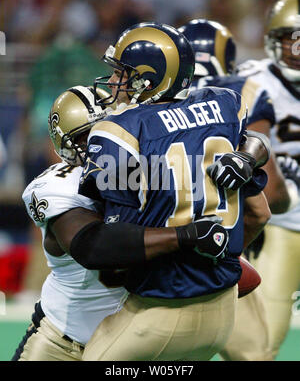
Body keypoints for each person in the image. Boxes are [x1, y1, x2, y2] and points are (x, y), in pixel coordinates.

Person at [51, 22, 271, 361]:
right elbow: (258, 211)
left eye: (121, 73)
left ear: (146, 80)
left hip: (158, 310)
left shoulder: (118, 130)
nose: (112, 82)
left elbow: (111, 254)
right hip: (225, 307)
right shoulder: (225, 105)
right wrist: (223, 254)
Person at [13, 85, 233, 361]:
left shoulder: (152, 169)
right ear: (65, 144)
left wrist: (250, 155)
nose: (101, 142)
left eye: (108, 128)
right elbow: (94, 247)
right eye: (87, 136)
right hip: (63, 341)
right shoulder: (57, 186)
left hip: (135, 337)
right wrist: (186, 236)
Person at [178, 17, 300, 361]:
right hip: (235, 239)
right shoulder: (244, 92)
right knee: (256, 353)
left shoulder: (143, 112)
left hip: (164, 244)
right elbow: (271, 198)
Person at [236, 0, 300, 359]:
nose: (296, 48)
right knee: (261, 343)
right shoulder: (254, 82)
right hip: (281, 224)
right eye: (289, 37)